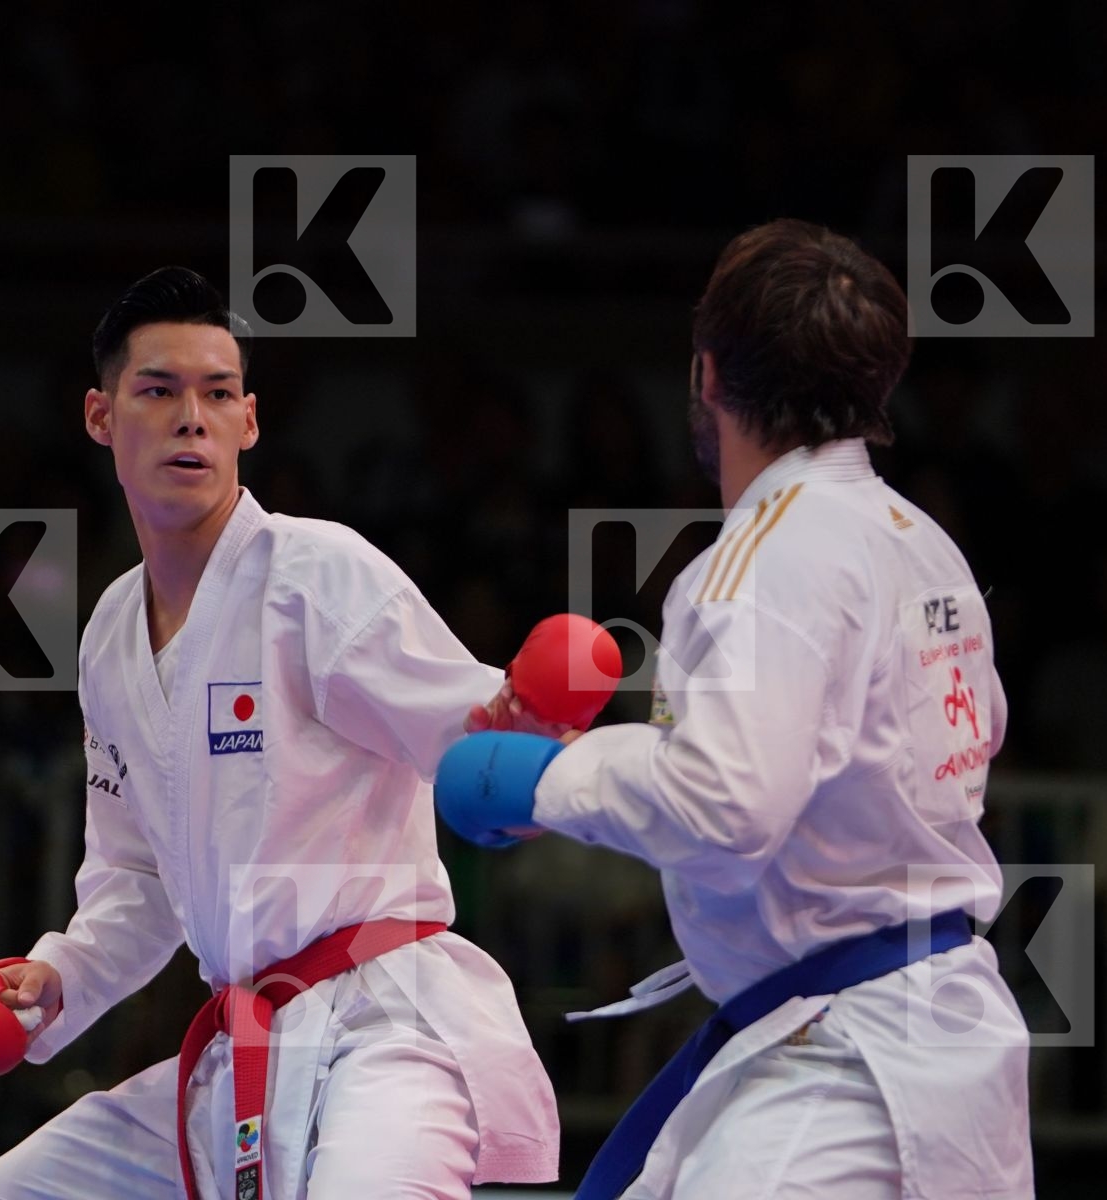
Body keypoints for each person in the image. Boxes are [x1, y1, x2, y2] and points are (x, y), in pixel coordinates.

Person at [442, 219, 1033, 1198]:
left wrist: (547, 778)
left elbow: (726, 803)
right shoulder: (922, 542)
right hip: (911, 1033)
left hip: (846, 1064)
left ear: (707, 375)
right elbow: (976, 736)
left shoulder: (767, 554)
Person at [0, 267, 558, 1199]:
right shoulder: (111, 634)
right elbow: (138, 881)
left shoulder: (317, 574)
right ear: (100, 416)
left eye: (217, 393)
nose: (191, 416)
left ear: (249, 422)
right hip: (247, 1051)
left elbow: (467, 733)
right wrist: (57, 977)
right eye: (157, 390)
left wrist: (525, 728)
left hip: (385, 1033)